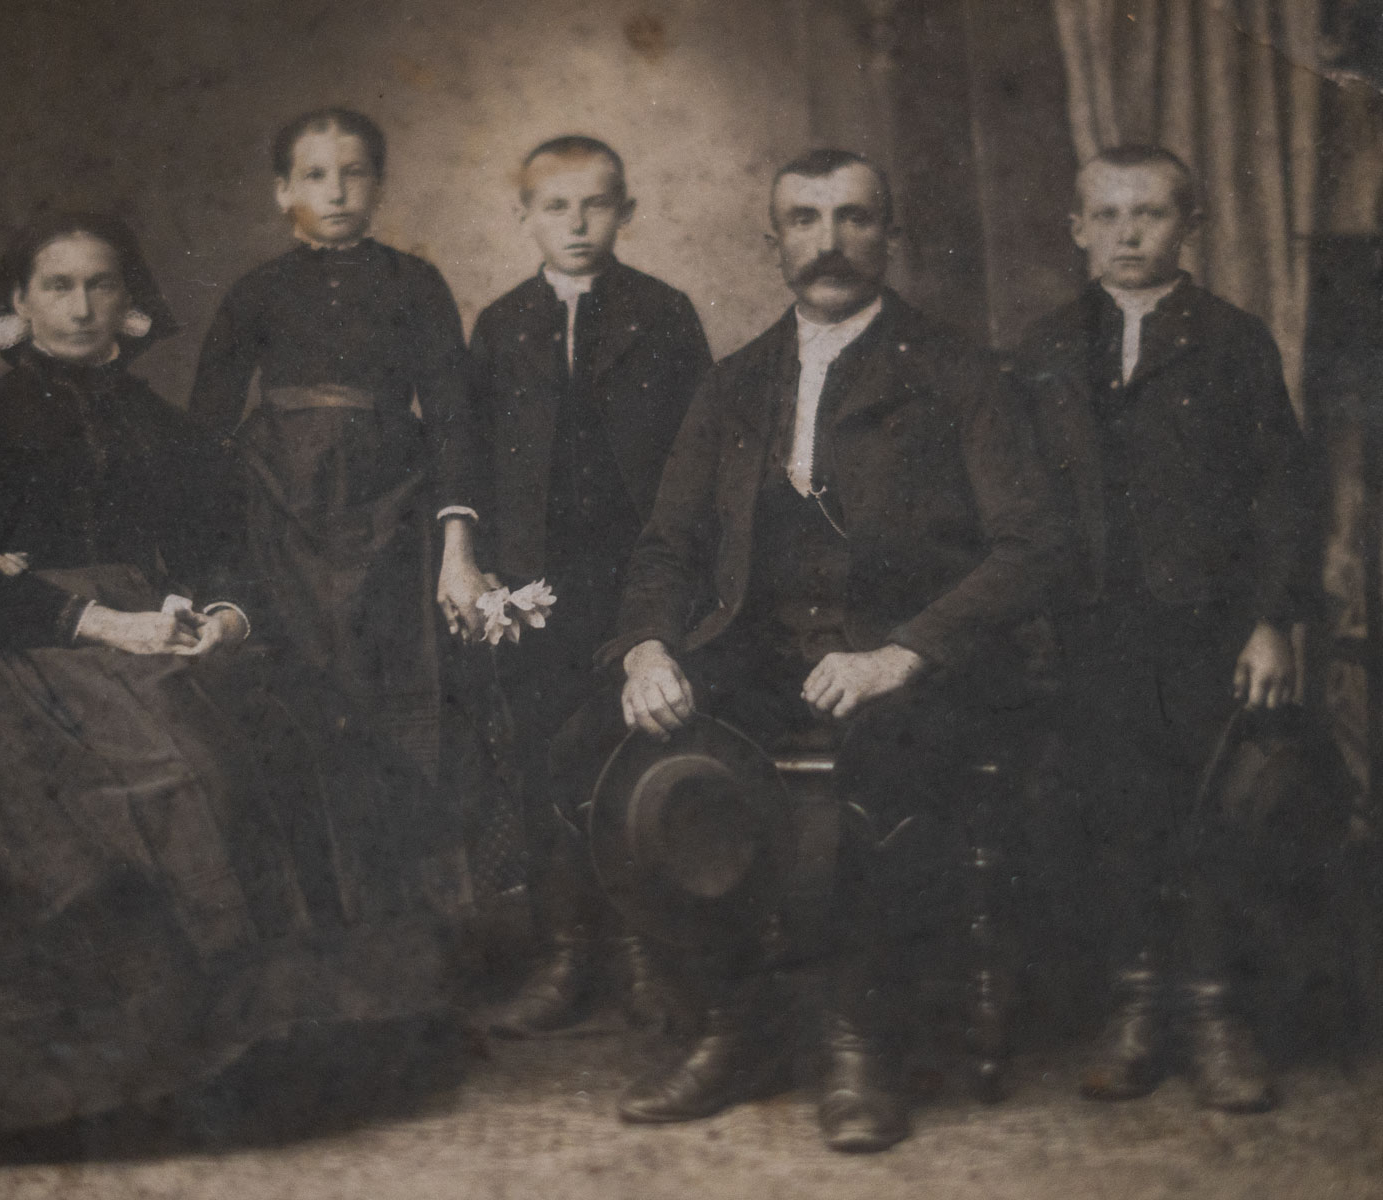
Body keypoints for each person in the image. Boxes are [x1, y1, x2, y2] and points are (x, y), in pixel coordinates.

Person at [0, 213, 458, 1163]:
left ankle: (248, 1064)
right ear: (15, 305)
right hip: (12, 658)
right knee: (166, 781)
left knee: (297, 750)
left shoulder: (170, 429)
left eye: (101, 286)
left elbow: (224, 557)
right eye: (58, 286)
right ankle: (108, 1085)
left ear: (130, 306)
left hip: (159, 638)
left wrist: (223, 619)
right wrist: (100, 623)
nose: (82, 307)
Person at [559, 150, 1066, 1144]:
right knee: (622, 746)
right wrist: (647, 652)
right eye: (803, 219)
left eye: (852, 218)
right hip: (765, 654)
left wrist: (905, 652)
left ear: (890, 234)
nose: (827, 242)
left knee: (878, 762)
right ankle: (733, 1019)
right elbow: (666, 547)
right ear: (775, 239)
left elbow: (1034, 547)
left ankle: (858, 1040)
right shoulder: (735, 383)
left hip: (916, 665)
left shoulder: (960, 372)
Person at [1017, 145, 1317, 1113]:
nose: (1128, 233)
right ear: (1076, 230)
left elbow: (1283, 498)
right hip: (1091, 634)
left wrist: (1271, 621)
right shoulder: (1046, 348)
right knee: (1118, 816)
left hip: (1206, 633)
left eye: (1149, 214)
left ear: (1193, 227)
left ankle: (1216, 1010)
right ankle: (1138, 1005)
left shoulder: (1233, 342)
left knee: (1213, 816)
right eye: (1106, 216)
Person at [469, 136, 712, 1036]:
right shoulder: (500, 325)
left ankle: (650, 951)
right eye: (555, 206)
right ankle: (569, 954)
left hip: (640, 574)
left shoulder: (664, 312)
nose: (576, 223)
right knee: (541, 757)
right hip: (537, 587)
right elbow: (479, 455)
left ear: (627, 212)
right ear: (524, 215)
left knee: (634, 748)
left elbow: (701, 455)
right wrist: (489, 566)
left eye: (596, 205)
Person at [189, 107, 489, 775]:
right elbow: (207, 422)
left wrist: (457, 549)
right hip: (280, 513)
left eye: (353, 174)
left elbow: (451, 415)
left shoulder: (415, 283)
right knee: (294, 695)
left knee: (392, 684)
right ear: (282, 190)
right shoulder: (257, 290)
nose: (335, 191)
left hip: (392, 510)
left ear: (379, 185)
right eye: (315, 175)